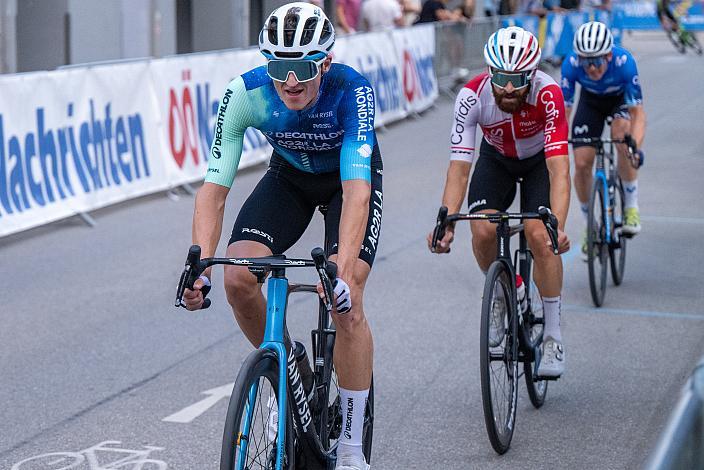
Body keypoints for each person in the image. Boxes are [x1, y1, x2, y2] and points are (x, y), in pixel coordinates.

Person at [182, 3, 382, 469]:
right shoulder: (246, 93)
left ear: (325, 63)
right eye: (279, 67)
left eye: (303, 68)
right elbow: (213, 190)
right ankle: (287, 369)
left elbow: (357, 191)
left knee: (345, 301)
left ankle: (351, 446)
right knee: (235, 278)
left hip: (346, 183)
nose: (290, 81)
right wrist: (198, 262)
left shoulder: (351, 90)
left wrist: (343, 268)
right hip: (289, 178)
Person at [428, 26, 571, 377]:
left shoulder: (549, 95)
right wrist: (445, 221)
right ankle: (506, 293)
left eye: (518, 79)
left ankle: (552, 335)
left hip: (540, 163)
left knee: (540, 237)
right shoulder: (471, 96)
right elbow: (459, 169)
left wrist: (559, 227)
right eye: (502, 77)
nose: (508, 88)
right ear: (490, 71)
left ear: (533, 74)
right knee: (482, 230)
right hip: (497, 161)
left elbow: (559, 171)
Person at [561, 21, 646, 259]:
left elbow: (638, 114)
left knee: (621, 139)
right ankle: (591, 225)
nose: (591, 69)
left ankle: (630, 206)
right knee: (581, 163)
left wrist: (635, 146)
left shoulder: (624, 63)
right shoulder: (571, 64)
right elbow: (564, 113)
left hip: (619, 102)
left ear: (608, 56)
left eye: (596, 61)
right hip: (590, 104)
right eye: (585, 62)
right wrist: (555, 143)